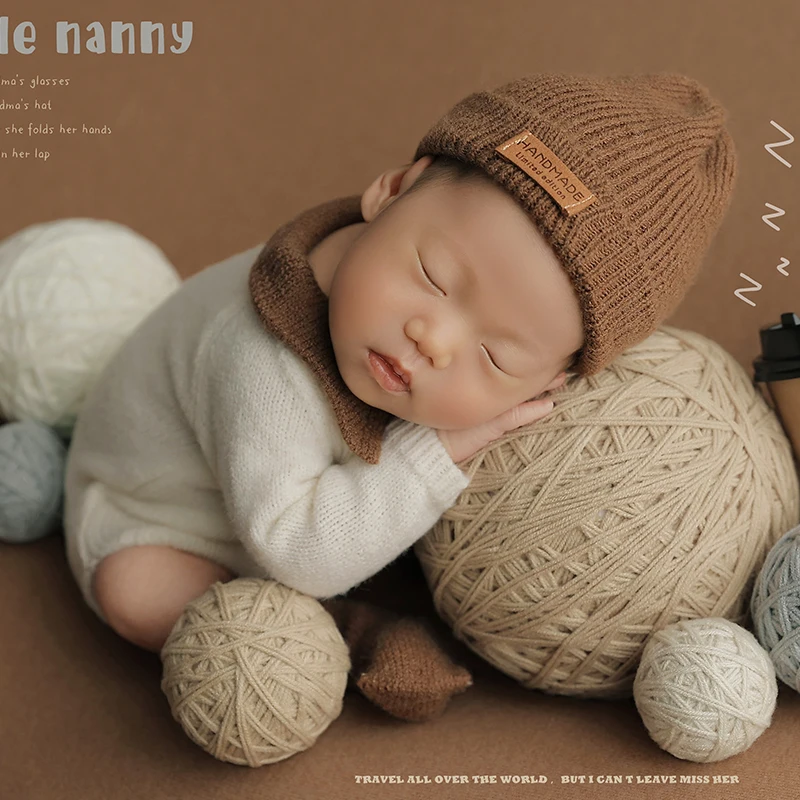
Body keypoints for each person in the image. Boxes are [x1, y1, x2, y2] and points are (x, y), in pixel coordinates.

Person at [63, 73, 737, 653]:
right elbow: (296, 551)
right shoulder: (262, 359)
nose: (433, 341)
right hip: (164, 516)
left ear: (552, 379)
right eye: (434, 277)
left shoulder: (382, 321)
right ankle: (346, 636)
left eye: (495, 356)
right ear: (392, 190)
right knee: (136, 590)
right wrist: (434, 455)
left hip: (286, 494)